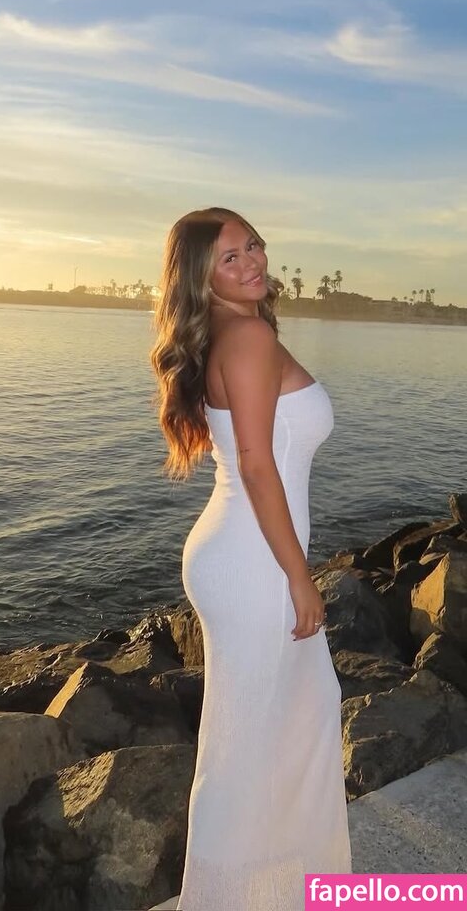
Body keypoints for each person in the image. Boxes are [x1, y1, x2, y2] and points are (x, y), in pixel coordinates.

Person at [150, 206, 352, 911]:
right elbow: (259, 467)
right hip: (255, 563)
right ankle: (226, 895)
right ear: (201, 278)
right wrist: (301, 578)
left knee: (289, 720)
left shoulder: (234, 332)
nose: (252, 262)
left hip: (241, 552)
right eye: (230, 258)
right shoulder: (248, 336)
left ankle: (285, 887)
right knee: (248, 747)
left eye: (254, 246)